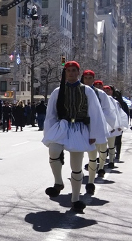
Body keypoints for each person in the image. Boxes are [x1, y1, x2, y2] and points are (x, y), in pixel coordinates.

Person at [42, 61, 107, 213]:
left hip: (79, 128)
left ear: (78, 73)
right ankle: (58, 183)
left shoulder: (87, 91)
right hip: (63, 126)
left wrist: (93, 134)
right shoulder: (58, 91)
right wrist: (49, 132)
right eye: (68, 70)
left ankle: (75, 199)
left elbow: (95, 113)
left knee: (76, 166)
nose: (70, 73)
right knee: (53, 150)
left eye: (73, 70)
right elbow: (51, 114)